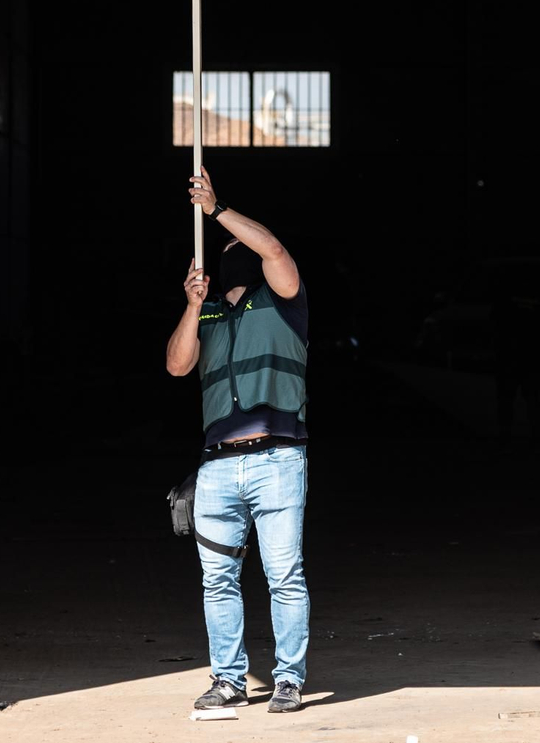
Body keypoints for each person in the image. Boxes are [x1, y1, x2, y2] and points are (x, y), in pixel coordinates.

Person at [165, 167, 310, 715]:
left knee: (284, 574)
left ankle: (288, 680)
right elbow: (177, 367)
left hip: (277, 458)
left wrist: (216, 208)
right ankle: (228, 679)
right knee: (216, 579)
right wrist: (190, 303)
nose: (236, 251)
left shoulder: (285, 303)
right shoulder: (207, 315)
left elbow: (270, 246)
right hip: (218, 466)